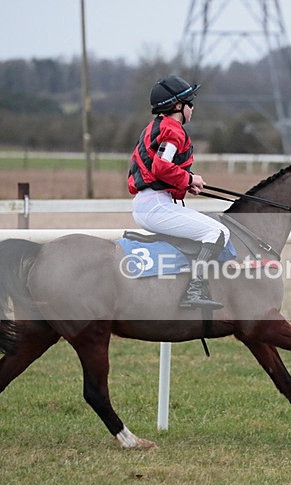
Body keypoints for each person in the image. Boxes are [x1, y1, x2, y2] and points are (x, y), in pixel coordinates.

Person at [128, 75, 230, 310]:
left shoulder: (156, 127)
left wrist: (185, 184)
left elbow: (159, 167)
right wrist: (190, 178)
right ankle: (195, 290)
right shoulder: (173, 130)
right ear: (177, 106)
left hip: (149, 202)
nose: (192, 108)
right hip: (155, 205)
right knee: (218, 232)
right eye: (189, 103)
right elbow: (161, 167)